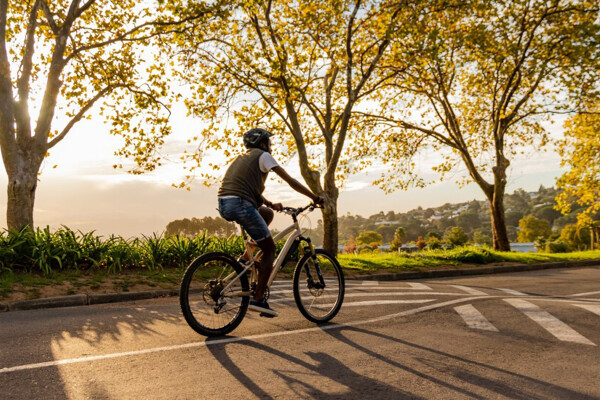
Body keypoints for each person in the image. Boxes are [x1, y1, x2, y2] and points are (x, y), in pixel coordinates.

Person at [217, 128, 322, 318]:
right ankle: (258, 299)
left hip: (226, 203)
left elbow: (247, 187)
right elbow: (290, 181)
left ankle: (246, 259)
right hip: (241, 203)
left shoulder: (242, 158)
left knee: (266, 213)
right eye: (269, 142)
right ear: (263, 143)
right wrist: (314, 197)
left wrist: (269, 204)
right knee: (270, 249)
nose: (270, 146)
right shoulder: (263, 156)